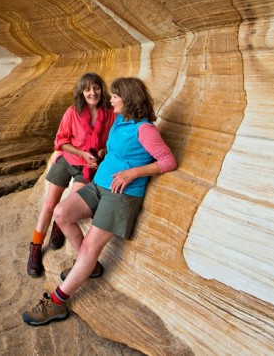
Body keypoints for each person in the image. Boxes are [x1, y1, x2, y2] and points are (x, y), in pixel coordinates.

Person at [22, 77, 177, 326]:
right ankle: (89, 265)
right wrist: (103, 155)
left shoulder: (145, 130)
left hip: (121, 195)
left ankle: (58, 302)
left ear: (128, 99)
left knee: (88, 249)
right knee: (61, 213)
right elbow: (113, 149)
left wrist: (133, 172)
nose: (111, 99)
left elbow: (168, 161)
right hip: (99, 186)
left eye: (115, 95)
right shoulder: (120, 120)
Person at [27, 73, 114, 278]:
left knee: (70, 205)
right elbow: (61, 141)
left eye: (96, 88)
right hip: (68, 160)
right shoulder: (73, 112)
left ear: (102, 89)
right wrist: (81, 152)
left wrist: (100, 154)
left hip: (88, 166)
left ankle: (59, 226)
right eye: (87, 89)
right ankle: (36, 247)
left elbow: (110, 143)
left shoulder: (111, 114)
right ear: (81, 92)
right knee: (49, 205)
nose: (92, 93)